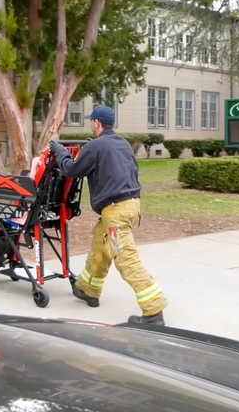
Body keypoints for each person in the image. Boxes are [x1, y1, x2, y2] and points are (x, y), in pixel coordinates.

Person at [49, 105, 168, 326]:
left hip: (116, 213)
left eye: (91, 122)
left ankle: (154, 312)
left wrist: (61, 153)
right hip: (130, 205)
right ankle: (88, 290)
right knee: (100, 247)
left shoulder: (96, 146)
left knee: (126, 259)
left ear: (96, 123)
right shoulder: (122, 143)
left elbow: (72, 171)